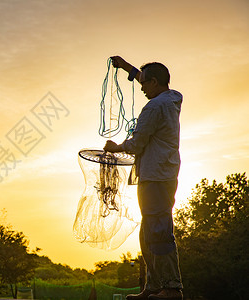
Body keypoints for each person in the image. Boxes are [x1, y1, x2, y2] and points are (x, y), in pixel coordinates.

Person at [104, 56, 183, 300]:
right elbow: (144, 76)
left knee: (158, 230)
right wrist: (126, 66)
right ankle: (153, 287)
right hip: (162, 175)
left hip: (155, 177)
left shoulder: (154, 107)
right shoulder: (172, 98)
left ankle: (171, 289)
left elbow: (137, 144)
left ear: (156, 82)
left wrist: (115, 147)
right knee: (148, 232)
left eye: (145, 84)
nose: (141, 87)